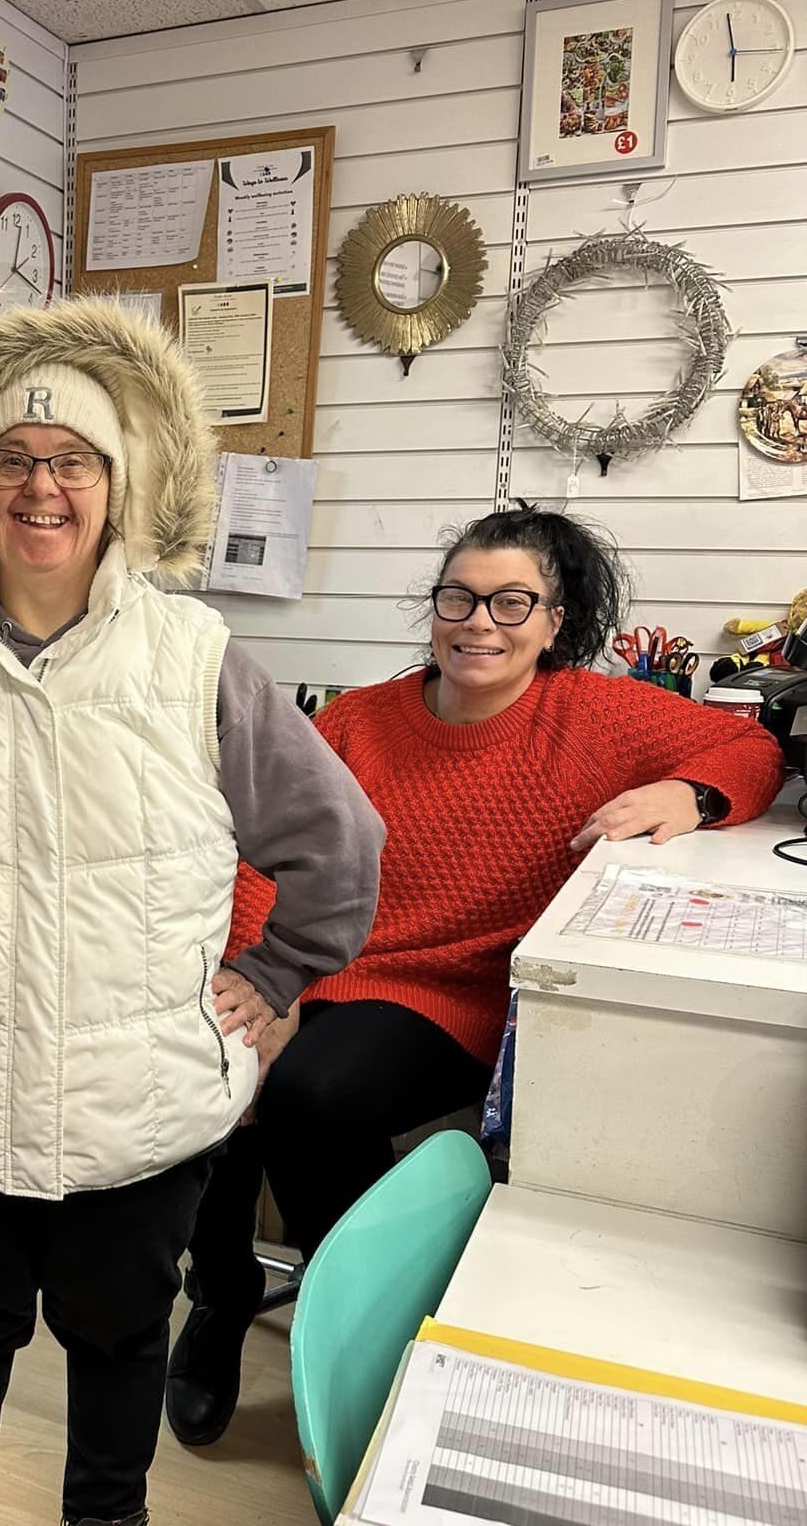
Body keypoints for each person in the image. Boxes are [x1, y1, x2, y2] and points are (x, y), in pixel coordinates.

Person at [0, 297, 385, 1526]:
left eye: (73, 462)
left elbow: (337, 841)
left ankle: (106, 1518)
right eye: (14, 462)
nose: (42, 488)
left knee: (116, 1344)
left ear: (118, 484)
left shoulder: (194, 658)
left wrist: (278, 972)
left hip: (135, 1105)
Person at [166, 503, 785, 1449]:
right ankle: (220, 1291)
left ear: (553, 620)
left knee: (313, 1096)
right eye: (459, 597)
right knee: (205, 1057)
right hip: (326, 961)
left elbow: (752, 747)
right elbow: (266, 855)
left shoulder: (595, 712)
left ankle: (355, 1322)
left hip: (457, 989)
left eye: (510, 603)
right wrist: (266, 984)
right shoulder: (357, 721)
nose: (478, 623)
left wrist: (686, 794)